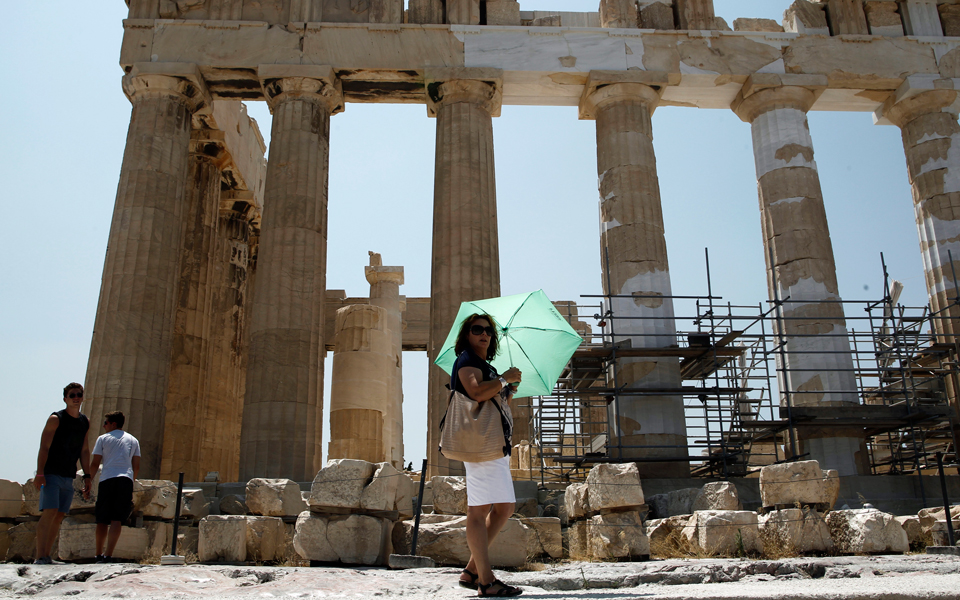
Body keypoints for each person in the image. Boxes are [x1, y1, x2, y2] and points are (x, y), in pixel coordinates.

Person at [452, 314, 523, 597]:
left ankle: (471, 571)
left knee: (505, 507)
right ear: (467, 334)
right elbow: (476, 392)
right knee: (478, 510)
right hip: (480, 445)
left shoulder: (486, 366)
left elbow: (495, 402)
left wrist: (508, 390)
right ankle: (485, 581)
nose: (484, 334)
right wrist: (504, 378)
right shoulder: (467, 360)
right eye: (477, 329)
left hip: (496, 445)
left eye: (488, 330)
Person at [33, 382, 92, 565]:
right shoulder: (55, 419)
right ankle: (39, 557)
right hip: (51, 473)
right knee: (49, 512)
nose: (76, 398)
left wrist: (88, 476)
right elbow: (44, 447)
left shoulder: (84, 422)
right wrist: (40, 473)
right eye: (72, 395)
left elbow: (84, 450)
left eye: (79, 394)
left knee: (59, 516)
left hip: (69, 475)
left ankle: (48, 556)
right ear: (65, 398)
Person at [89, 411, 140, 563]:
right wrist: (131, 481)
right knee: (117, 519)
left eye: (105, 423)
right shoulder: (133, 440)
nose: (103, 426)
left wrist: (88, 481)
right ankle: (109, 555)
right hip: (125, 479)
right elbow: (136, 466)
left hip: (107, 479)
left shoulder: (103, 439)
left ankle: (98, 554)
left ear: (113, 424)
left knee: (102, 519)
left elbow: (95, 463)